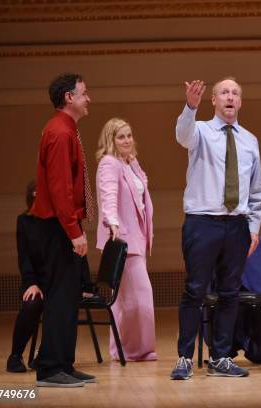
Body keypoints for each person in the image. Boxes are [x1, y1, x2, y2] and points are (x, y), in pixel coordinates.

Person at [171, 77, 261, 380]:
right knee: (195, 290)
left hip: (237, 226)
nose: (229, 97)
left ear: (240, 101)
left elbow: (257, 190)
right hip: (202, 222)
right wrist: (189, 107)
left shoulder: (250, 140)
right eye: (224, 92)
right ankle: (185, 357)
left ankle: (220, 357)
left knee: (229, 293)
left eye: (235, 93)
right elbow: (181, 135)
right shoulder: (199, 131)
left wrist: (252, 227)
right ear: (213, 100)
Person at [30, 73, 95, 387]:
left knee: (68, 297)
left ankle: (63, 364)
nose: (88, 98)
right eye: (84, 93)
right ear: (69, 97)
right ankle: (50, 367)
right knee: (59, 297)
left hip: (62, 225)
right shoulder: (59, 131)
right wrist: (73, 231)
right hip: (58, 227)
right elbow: (60, 189)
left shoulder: (67, 130)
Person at [95, 118, 157, 362]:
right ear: (111, 140)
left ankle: (133, 349)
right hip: (123, 239)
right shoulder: (109, 164)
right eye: (121, 136)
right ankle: (130, 349)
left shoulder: (130, 163)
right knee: (135, 298)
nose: (127, 140)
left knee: (133, 299)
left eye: (129, 135)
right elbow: (108, 195)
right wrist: (113, 223)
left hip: (137, 239)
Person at [6, 181, 44, 372]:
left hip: (56, 280)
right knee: (32, 304)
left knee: (60, 304)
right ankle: (15, 356)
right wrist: (31, 283)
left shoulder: (57, 220)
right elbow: (24, 258)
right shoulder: (24, 221)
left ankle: (44, 355)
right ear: (35, 194)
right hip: (34, 281)